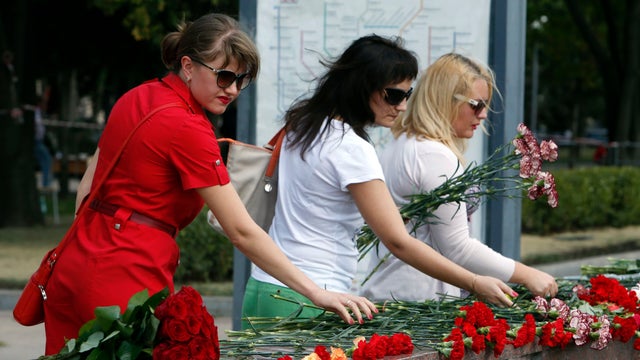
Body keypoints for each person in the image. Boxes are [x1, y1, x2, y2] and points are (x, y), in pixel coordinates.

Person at [42, 13, 376, 355]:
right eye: (224, 76)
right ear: (188, 66)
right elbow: (241, 231)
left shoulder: (138, 96)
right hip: (126, 275)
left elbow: (89, 182)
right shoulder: (189, 128)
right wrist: (316, 292)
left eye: (241, 80)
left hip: (76, 261)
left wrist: (93, 247)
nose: (232, 89)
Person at [241, 35, 517, 329]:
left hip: (264, 288)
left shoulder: (302, 124)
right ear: (362, 87)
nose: (402, 106)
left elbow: (321, 203)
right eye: (394, 95)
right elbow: (398, 242)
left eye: (408, 94)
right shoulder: (352, 147)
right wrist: (474, 281)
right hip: (312, 300)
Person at [359, 52, 558, 302]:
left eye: (485, 105)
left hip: (392, 292)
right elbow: (457, 248)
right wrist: (526, 274)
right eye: (476, 104)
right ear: (444, 100)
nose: (483, 114)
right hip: (418, 302)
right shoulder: (434, 155)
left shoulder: (402, 143)